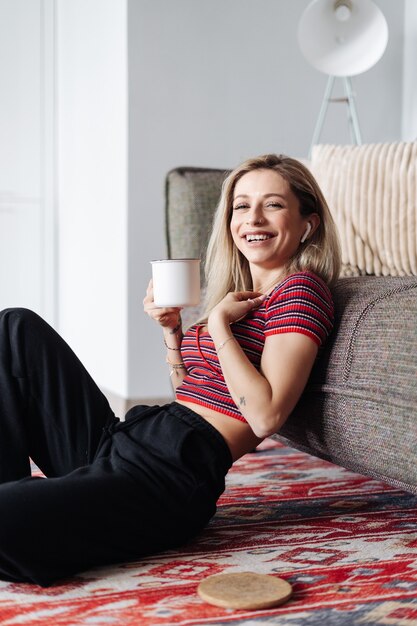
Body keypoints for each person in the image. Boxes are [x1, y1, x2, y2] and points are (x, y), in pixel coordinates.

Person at [0, 154, 340, 587]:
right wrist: (173, 333)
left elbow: (265, 415)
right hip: (130, 441)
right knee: (15, 327)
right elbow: (191, 395)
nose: (253, 218)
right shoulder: (245, 293)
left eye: (273, 205)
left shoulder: (301, 290)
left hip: (167, 478)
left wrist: (217, 325)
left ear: (307, 223)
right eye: (241, 205)